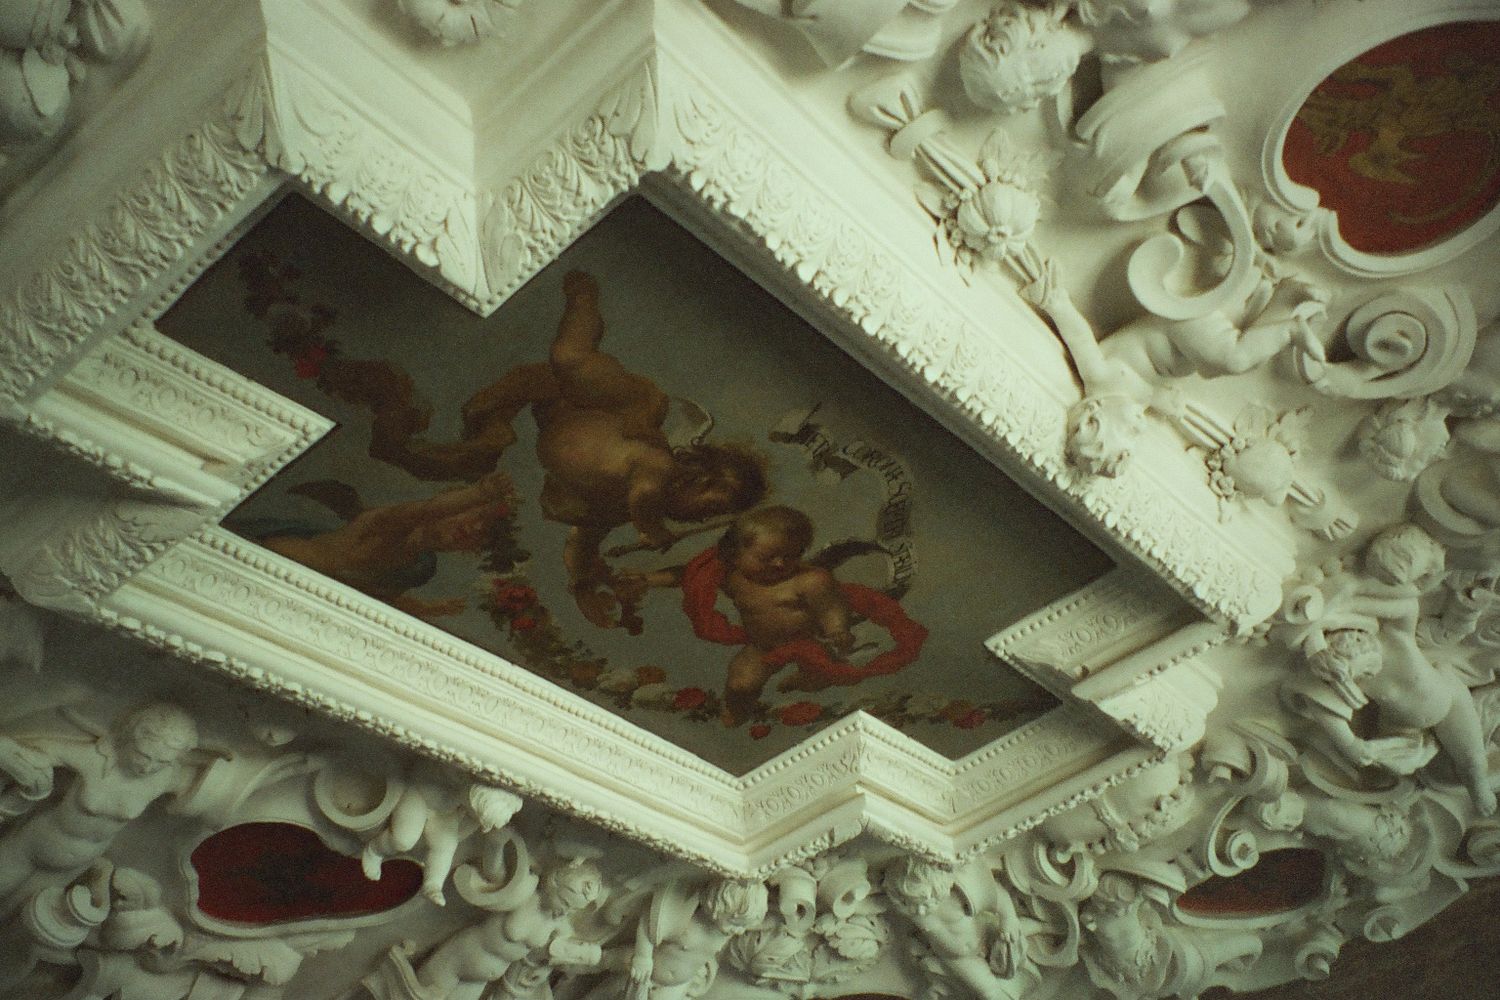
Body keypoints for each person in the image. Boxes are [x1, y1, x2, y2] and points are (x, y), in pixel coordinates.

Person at [0, 703, 198, 920]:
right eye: (143, 755)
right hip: (32, 846)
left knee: (11, 916)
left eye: (162, 761)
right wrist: (28, 766)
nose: (148, 767)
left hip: (72, 866)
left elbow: (216, 789)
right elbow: (39, 750)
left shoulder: (167, 777)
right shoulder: (94, 758)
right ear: (130, 739)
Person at [256, 472, 514, 619]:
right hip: (274, 561)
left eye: (483, 533)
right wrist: (479, 493)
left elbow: (375, 594)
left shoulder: (420, 567)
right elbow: (426, 511)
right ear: (450, 502)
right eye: (475, 515)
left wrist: (427, 608)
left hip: (304, 598)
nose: (473, 528)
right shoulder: (393, 522)